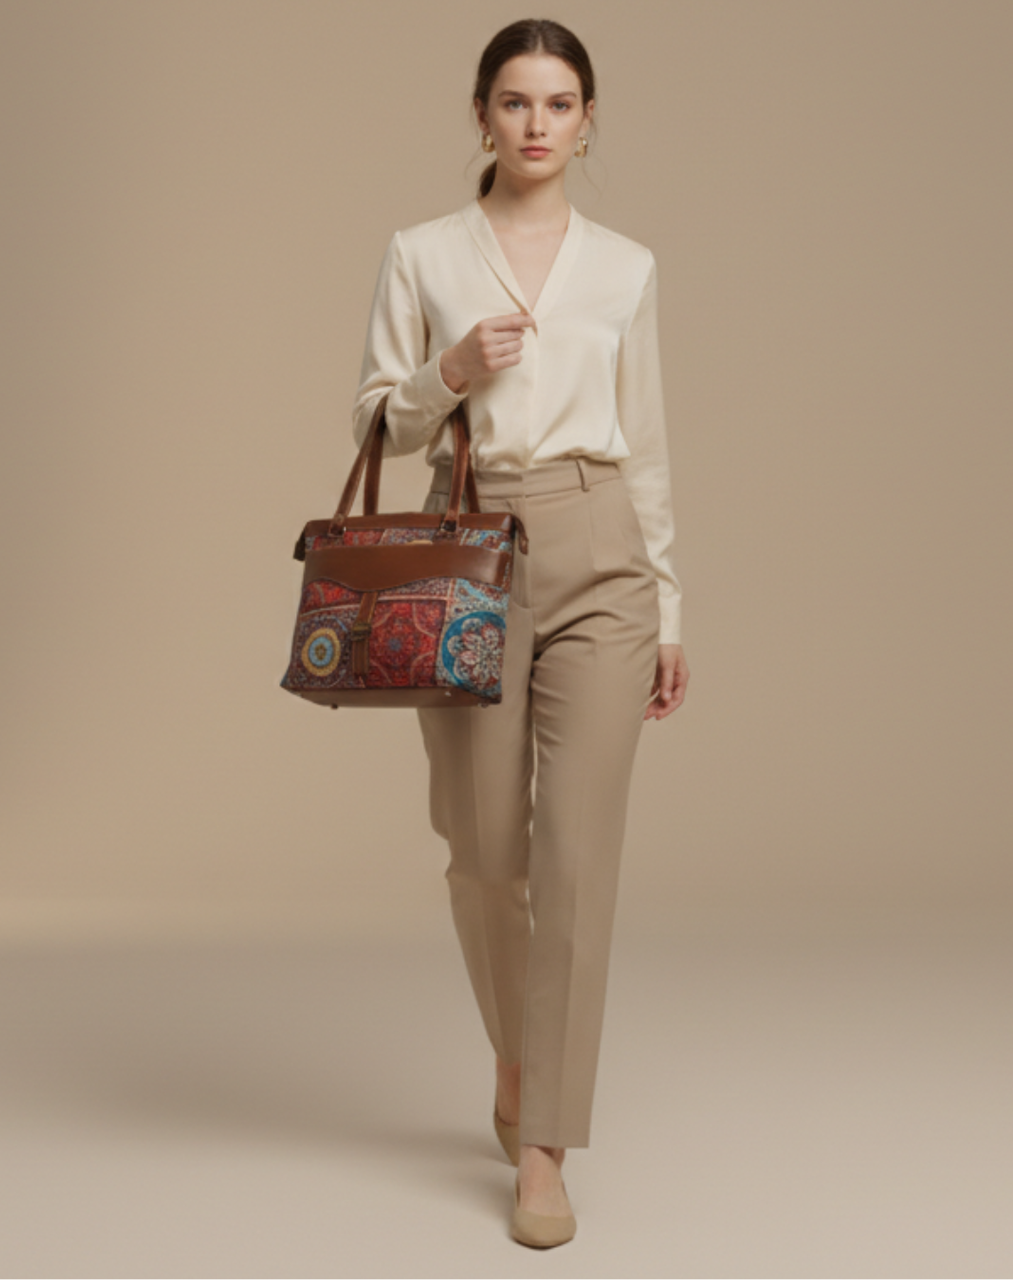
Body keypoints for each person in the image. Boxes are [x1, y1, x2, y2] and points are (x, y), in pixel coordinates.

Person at [350, 17, 690, 1249]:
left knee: (580, 855)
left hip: (603, 550)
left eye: (558, 103)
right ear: (481, 117)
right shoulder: (424, 252)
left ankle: (541, 1138)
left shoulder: (626, 266)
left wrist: (669, 601)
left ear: (587, 121)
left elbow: (644, 444)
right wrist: (446, 371)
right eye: (514, 101)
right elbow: (378, 424)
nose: (537, 123)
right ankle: (516, 1050)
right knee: (488, 850)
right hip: (473, 548)